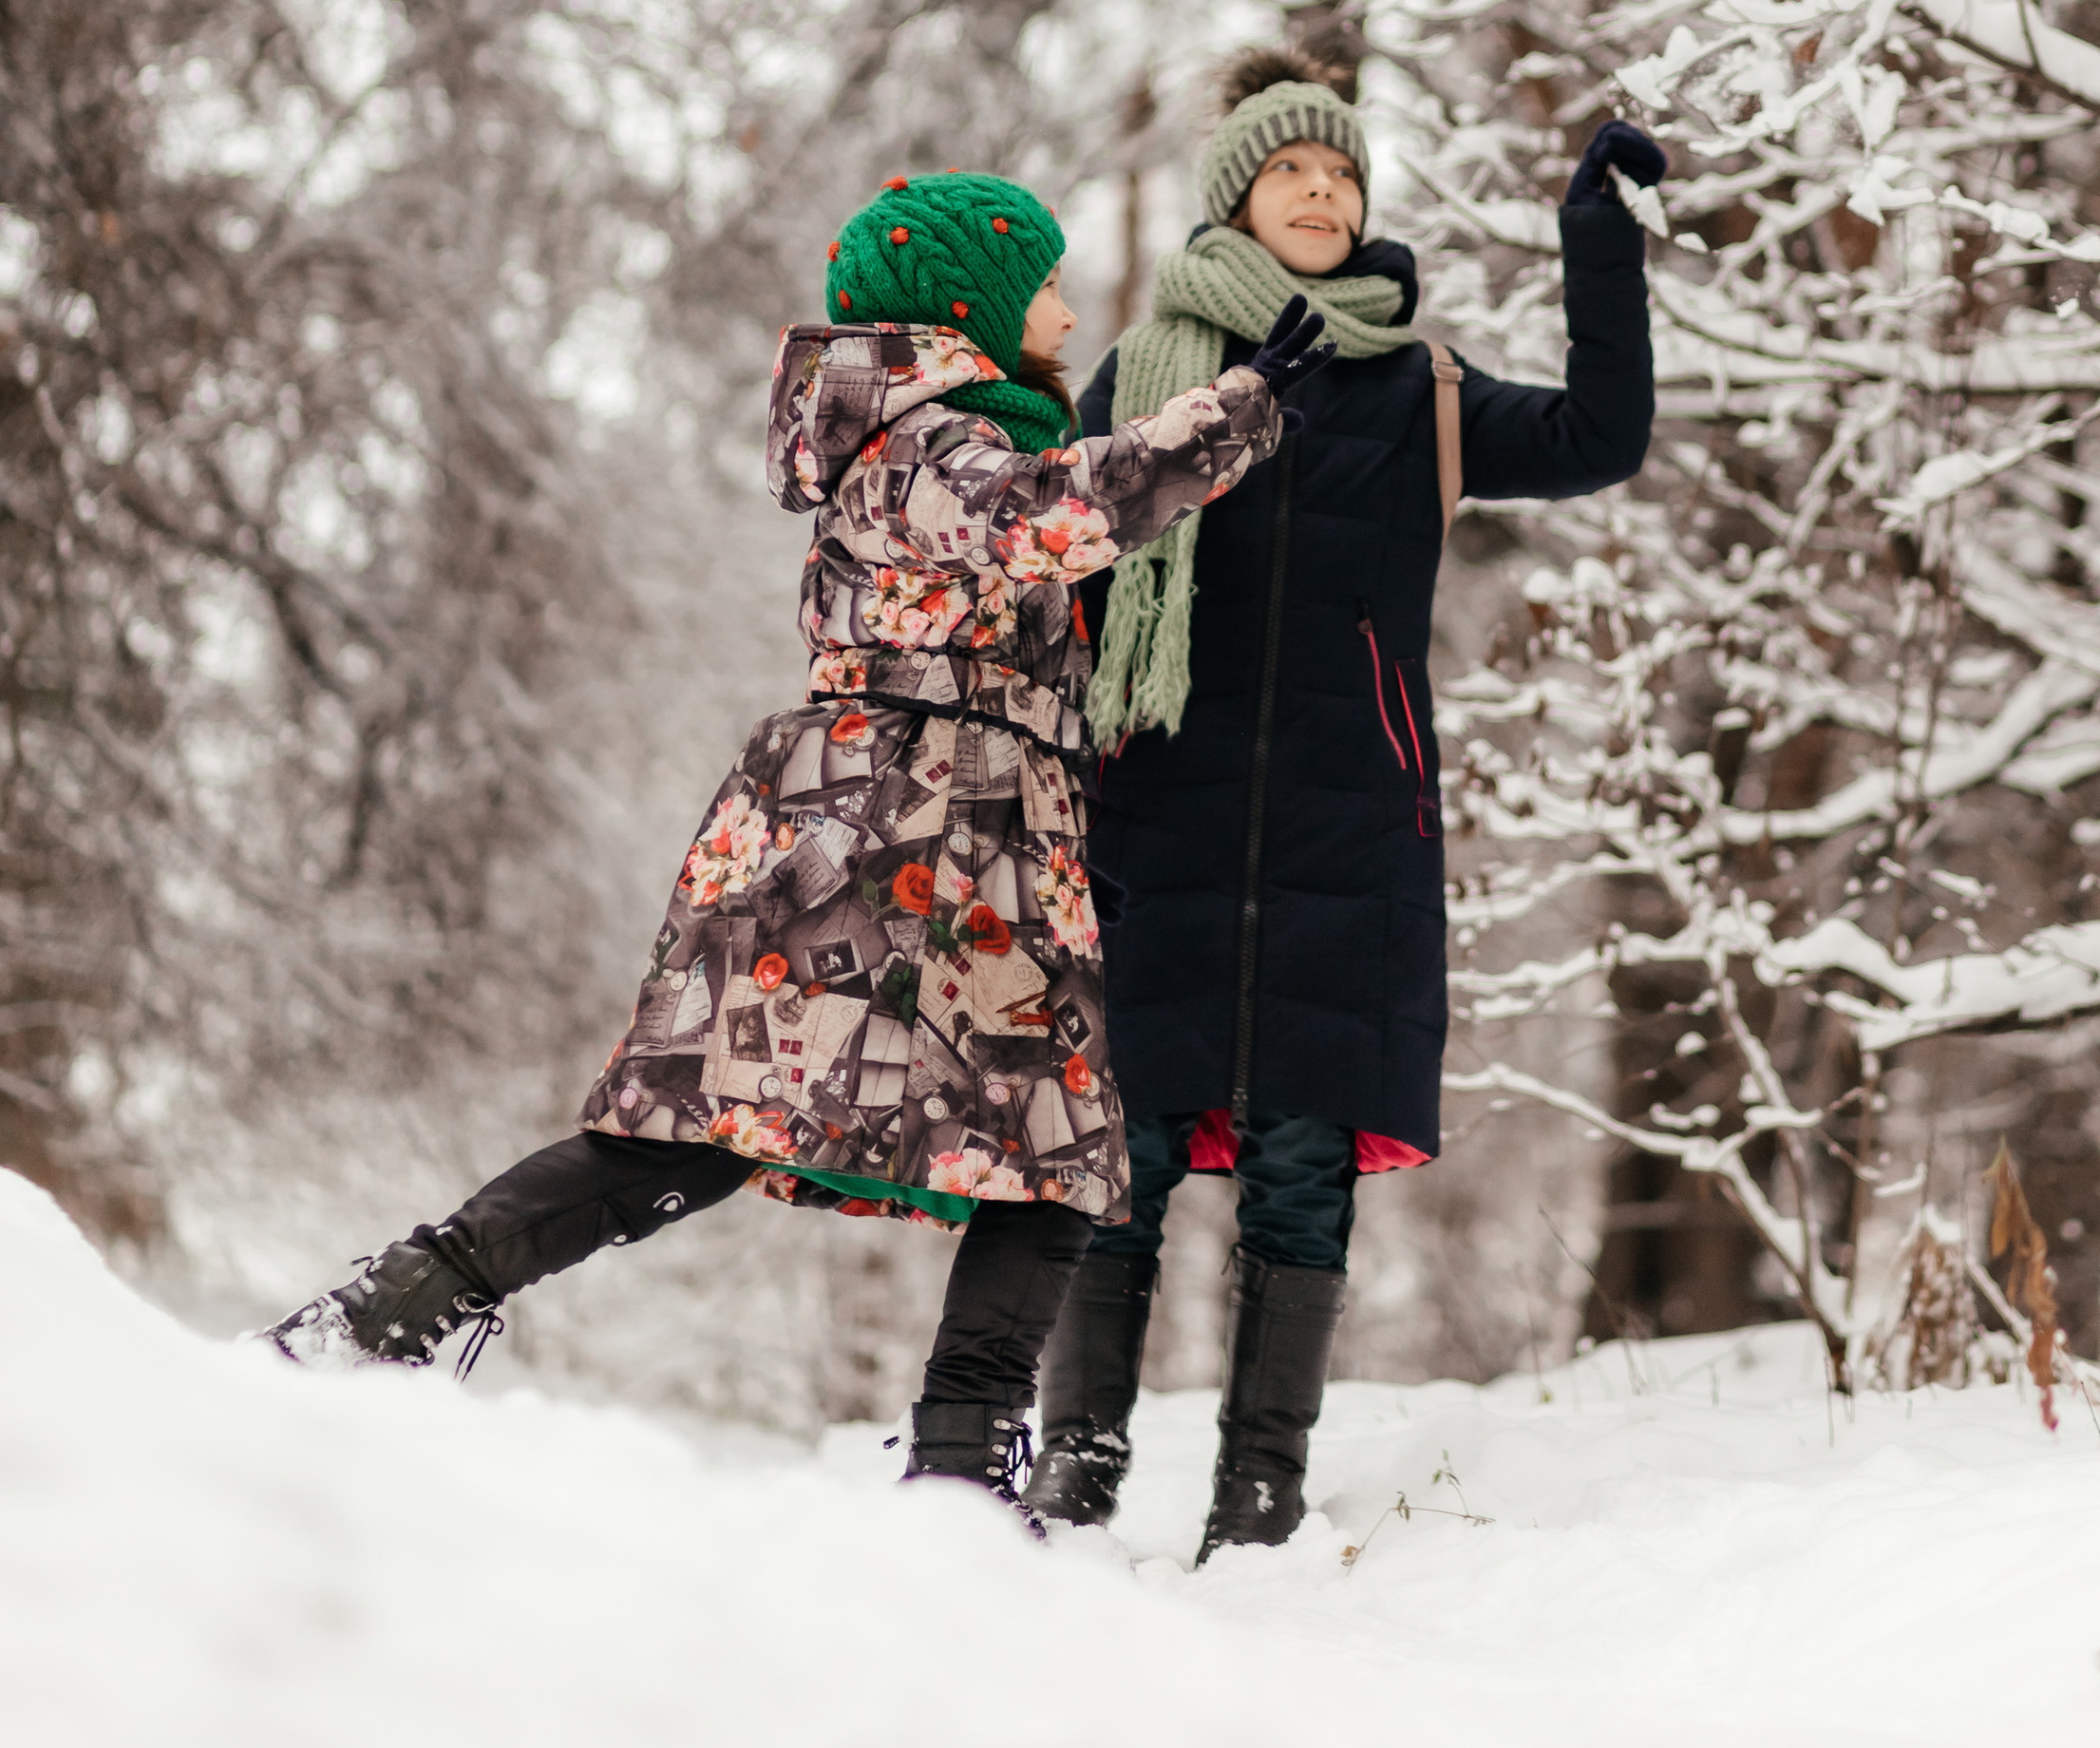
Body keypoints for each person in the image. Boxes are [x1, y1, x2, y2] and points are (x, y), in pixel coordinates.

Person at [263, 170, 1331, 1499]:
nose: (1067, 307)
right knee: (743, 1136)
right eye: (1045, 281)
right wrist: (1235, 413)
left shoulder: (941, 431)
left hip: (961, 838)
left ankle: (957, 1482)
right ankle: (384, 1320)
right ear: (976, 301)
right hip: (885, 837)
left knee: (1029, 1161)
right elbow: (1051, 514)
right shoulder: (917, 441)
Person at [1028, 51, 1660, 1553]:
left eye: (1343, 176)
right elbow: (1057, 555)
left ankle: (1261, 1497)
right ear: (1234, 197)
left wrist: (1600, 244)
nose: (1322, 194)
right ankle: (1076, 1473)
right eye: (1291, 173)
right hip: (1155, 824)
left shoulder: (1417, 384)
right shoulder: (1146, 371)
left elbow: (1601, 439)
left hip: (1349, 829)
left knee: (1303, 1177)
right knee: (1116, 1162)